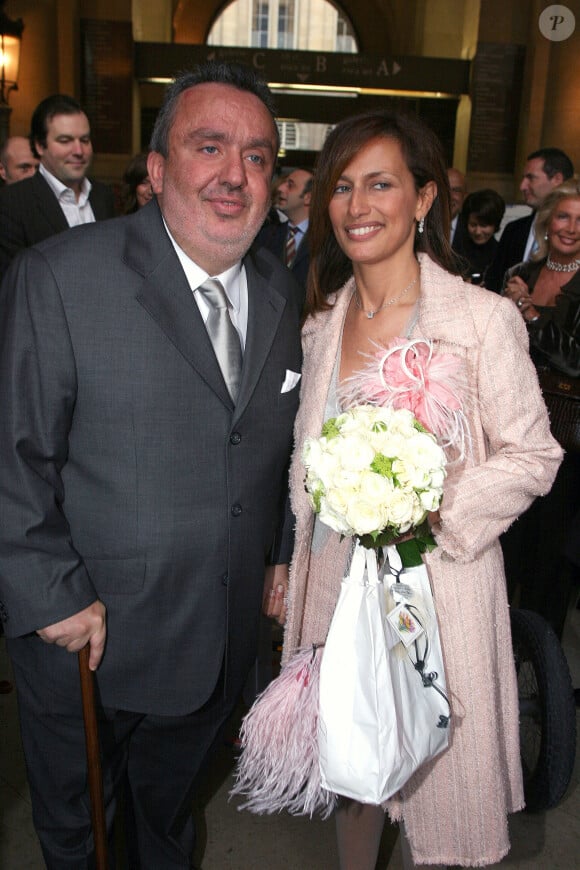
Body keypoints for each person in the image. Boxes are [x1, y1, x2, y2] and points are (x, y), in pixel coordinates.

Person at [0, 61, 302, 869]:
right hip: (89, 638)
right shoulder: (60, 277)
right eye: (210, 146)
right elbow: (12, 452)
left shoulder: (283, 288)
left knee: (167, 819)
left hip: (218, 637)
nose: (235, 175)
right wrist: (50, 595)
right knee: (85, 834)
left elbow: (274, 447)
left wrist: (279, 552)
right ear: (159, 167)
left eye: (259, 156)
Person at [263, 110, 562, 868]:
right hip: (335, 583)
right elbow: (302, 464)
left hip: (442, 590)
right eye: (342, 187)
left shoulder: (482, 320)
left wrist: (434, 510)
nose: (357, 205)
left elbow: (534, 453)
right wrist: (289, 564)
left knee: (440, 783)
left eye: (381, 184)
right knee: (356, 775)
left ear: (424, 199)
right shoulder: (320, 323)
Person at [501, 180, 580, 641]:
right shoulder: (521, 273)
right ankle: (499, 645)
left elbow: (574, 359)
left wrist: (530, 316)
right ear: (548, 221)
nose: (571, 228)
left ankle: (541, 660)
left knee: (550, 553)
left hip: (567, 435)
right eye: (564, 216)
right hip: (513, 419)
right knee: (509, 538)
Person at [0, 94, 116, 278]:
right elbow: (13, 286)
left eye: (84, 140)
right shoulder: (12, 203)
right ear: (39, 145)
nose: (79, 151)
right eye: (65, 141)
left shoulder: (103, 196)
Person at [486, 147, 574, 292]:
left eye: (531, 178)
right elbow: (494, 283)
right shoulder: (513, 230)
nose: (522, 186)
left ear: (557, 179)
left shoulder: (572, 235)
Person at [255, 166, 313, 310]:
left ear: (308, 197)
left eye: (290, 185)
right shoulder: (265, 235)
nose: (280, 188)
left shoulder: (325, 243)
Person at [453, 188, 505, 285]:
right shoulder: (455, 250)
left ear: (495, 225)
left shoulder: (501, 254)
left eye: (484, 226)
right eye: (473, 225)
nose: (477, 232)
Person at [447, 166, 466, 245]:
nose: (450, 196)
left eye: (456, 190)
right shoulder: (420, 226)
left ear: (464, 196)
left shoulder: (472, 230)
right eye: (445, 188)